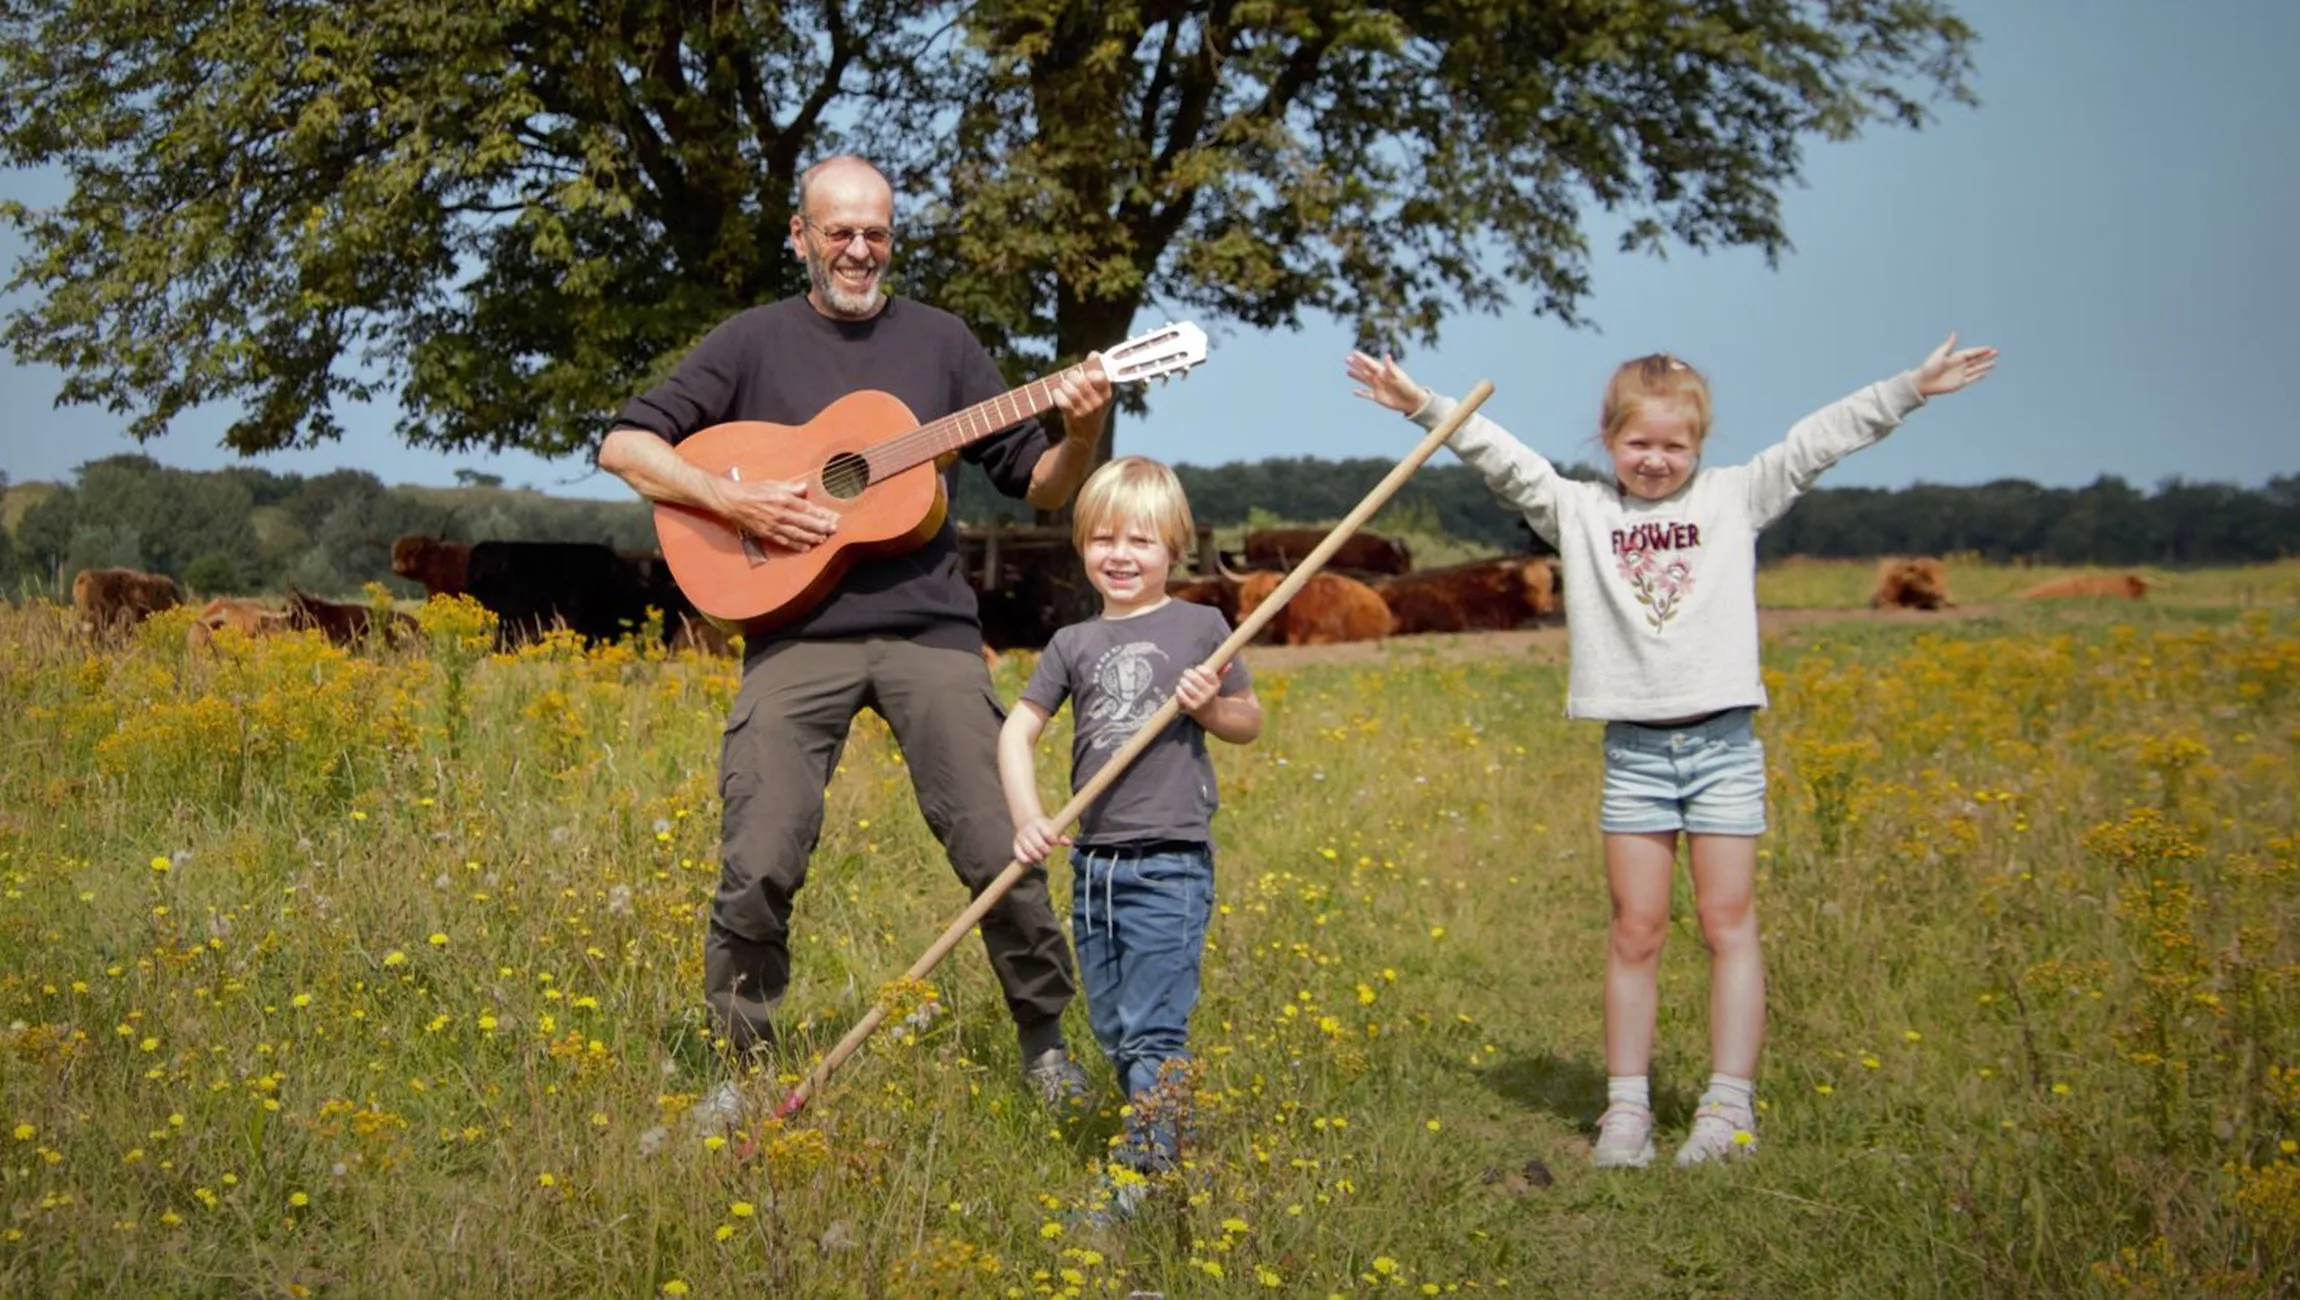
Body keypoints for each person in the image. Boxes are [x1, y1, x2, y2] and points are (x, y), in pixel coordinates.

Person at [1344, 336, 1997, 1167]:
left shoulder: (1735, 498)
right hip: (1636, 755)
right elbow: (1500, 459)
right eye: (1638, 445)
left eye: (1674, 447)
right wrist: (1423, 406)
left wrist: (1912, 387)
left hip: (1724, 746)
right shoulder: (1580, 512)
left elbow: (1819, 440)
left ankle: (1727, 1110)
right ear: (1608, 440)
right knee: (1636, 932)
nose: (1655, 462)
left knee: (1728, 925)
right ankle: (1627, 1112)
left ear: (1700, 445)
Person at [597, 154, 1113, 1107]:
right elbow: (624, 445)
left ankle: (1046, 1047)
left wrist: (1080, 433)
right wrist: (734, 504)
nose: (858, 248)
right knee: (759, 855)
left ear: (892, 238)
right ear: (800, 236)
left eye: (874, 231)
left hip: (930, 635)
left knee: (1001, 843)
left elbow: (1038, 481)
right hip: (794, 635)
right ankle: (743, 1069)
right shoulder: (749, 342)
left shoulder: (945, 344)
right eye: (838, 230)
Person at [998, 456, 1262, 1189]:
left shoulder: (1202, 626)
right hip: (1095, 866)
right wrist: (1030, 817)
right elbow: (1016, 732)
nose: (1121, 555)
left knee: (1152, 1032)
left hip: (1170, 862)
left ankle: (1141, 1181)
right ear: (1083, 544)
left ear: (1173, 548)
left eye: (1141, 541)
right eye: (1105, 538)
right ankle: (1166, 1125)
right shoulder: (1072, 645)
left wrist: (1209, 706)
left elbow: (1249, 722)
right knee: (1115, 1030)